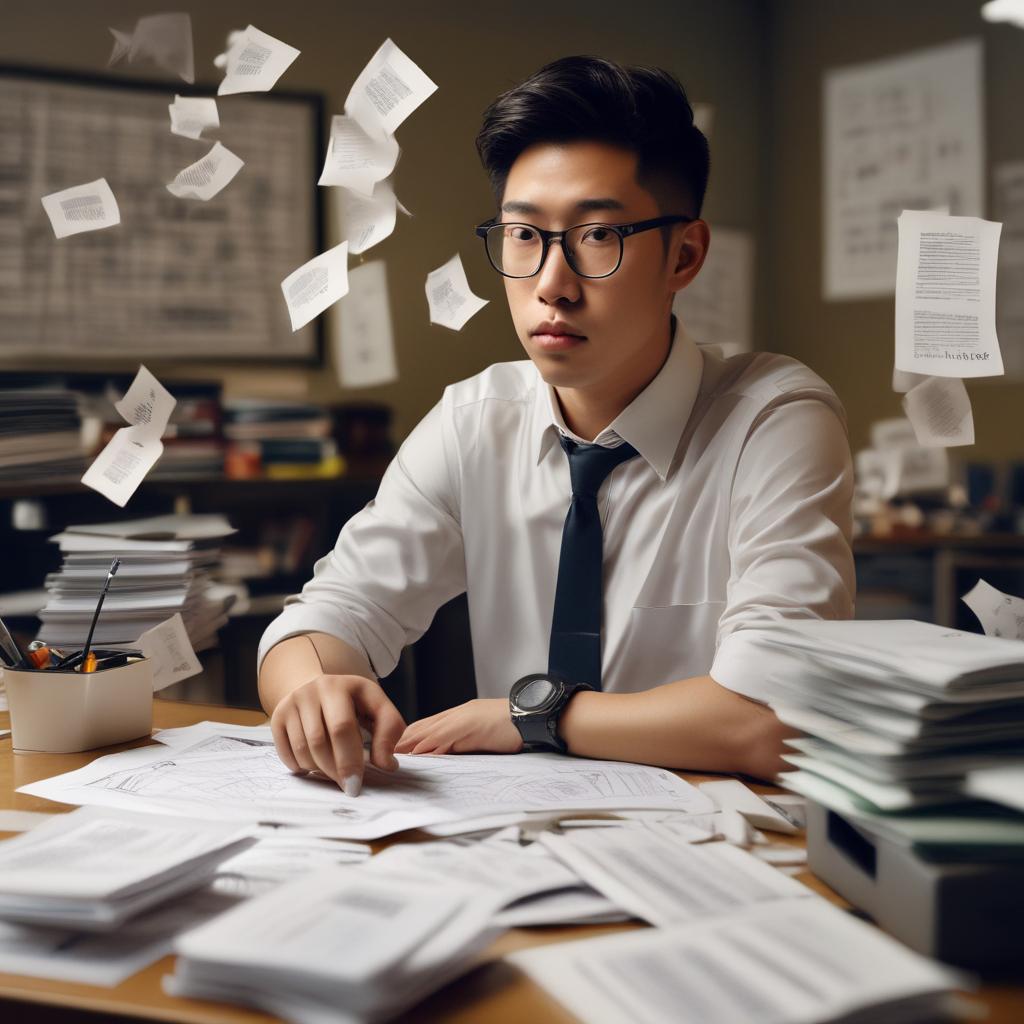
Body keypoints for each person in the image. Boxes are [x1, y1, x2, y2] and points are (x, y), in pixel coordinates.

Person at [257, 55, 855, 797]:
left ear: (686, 254)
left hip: (716, 854)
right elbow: (327, 617)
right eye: (522, 236)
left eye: (599, 236)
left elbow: (775, 718)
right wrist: (310, 689)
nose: (550, 285)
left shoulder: (773, 418)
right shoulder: (474, 422)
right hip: (511, 845)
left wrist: (534, 717)